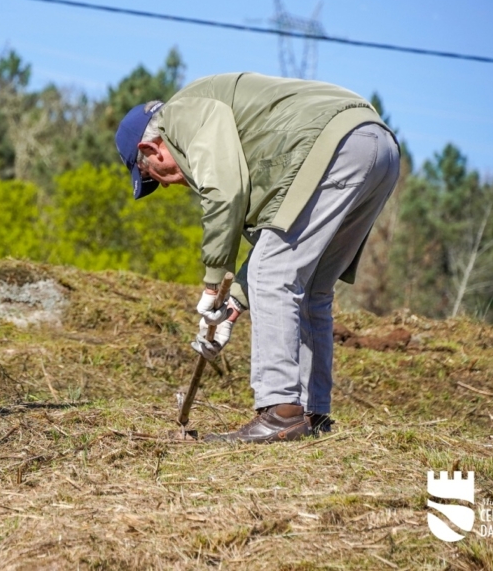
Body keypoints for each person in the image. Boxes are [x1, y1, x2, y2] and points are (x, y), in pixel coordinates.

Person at [116, 73, 400, 443]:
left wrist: (213, 282)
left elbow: (225, 192)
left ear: (152, 150)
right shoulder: (224, 118)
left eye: (155, 177)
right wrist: (232, 307)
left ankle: (281, 414)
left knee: (272, 275)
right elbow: (275, 244)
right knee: (311, 287)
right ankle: (312, 414)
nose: (170, 185)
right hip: (376, 146)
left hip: (334, 145)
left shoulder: (181, 116)